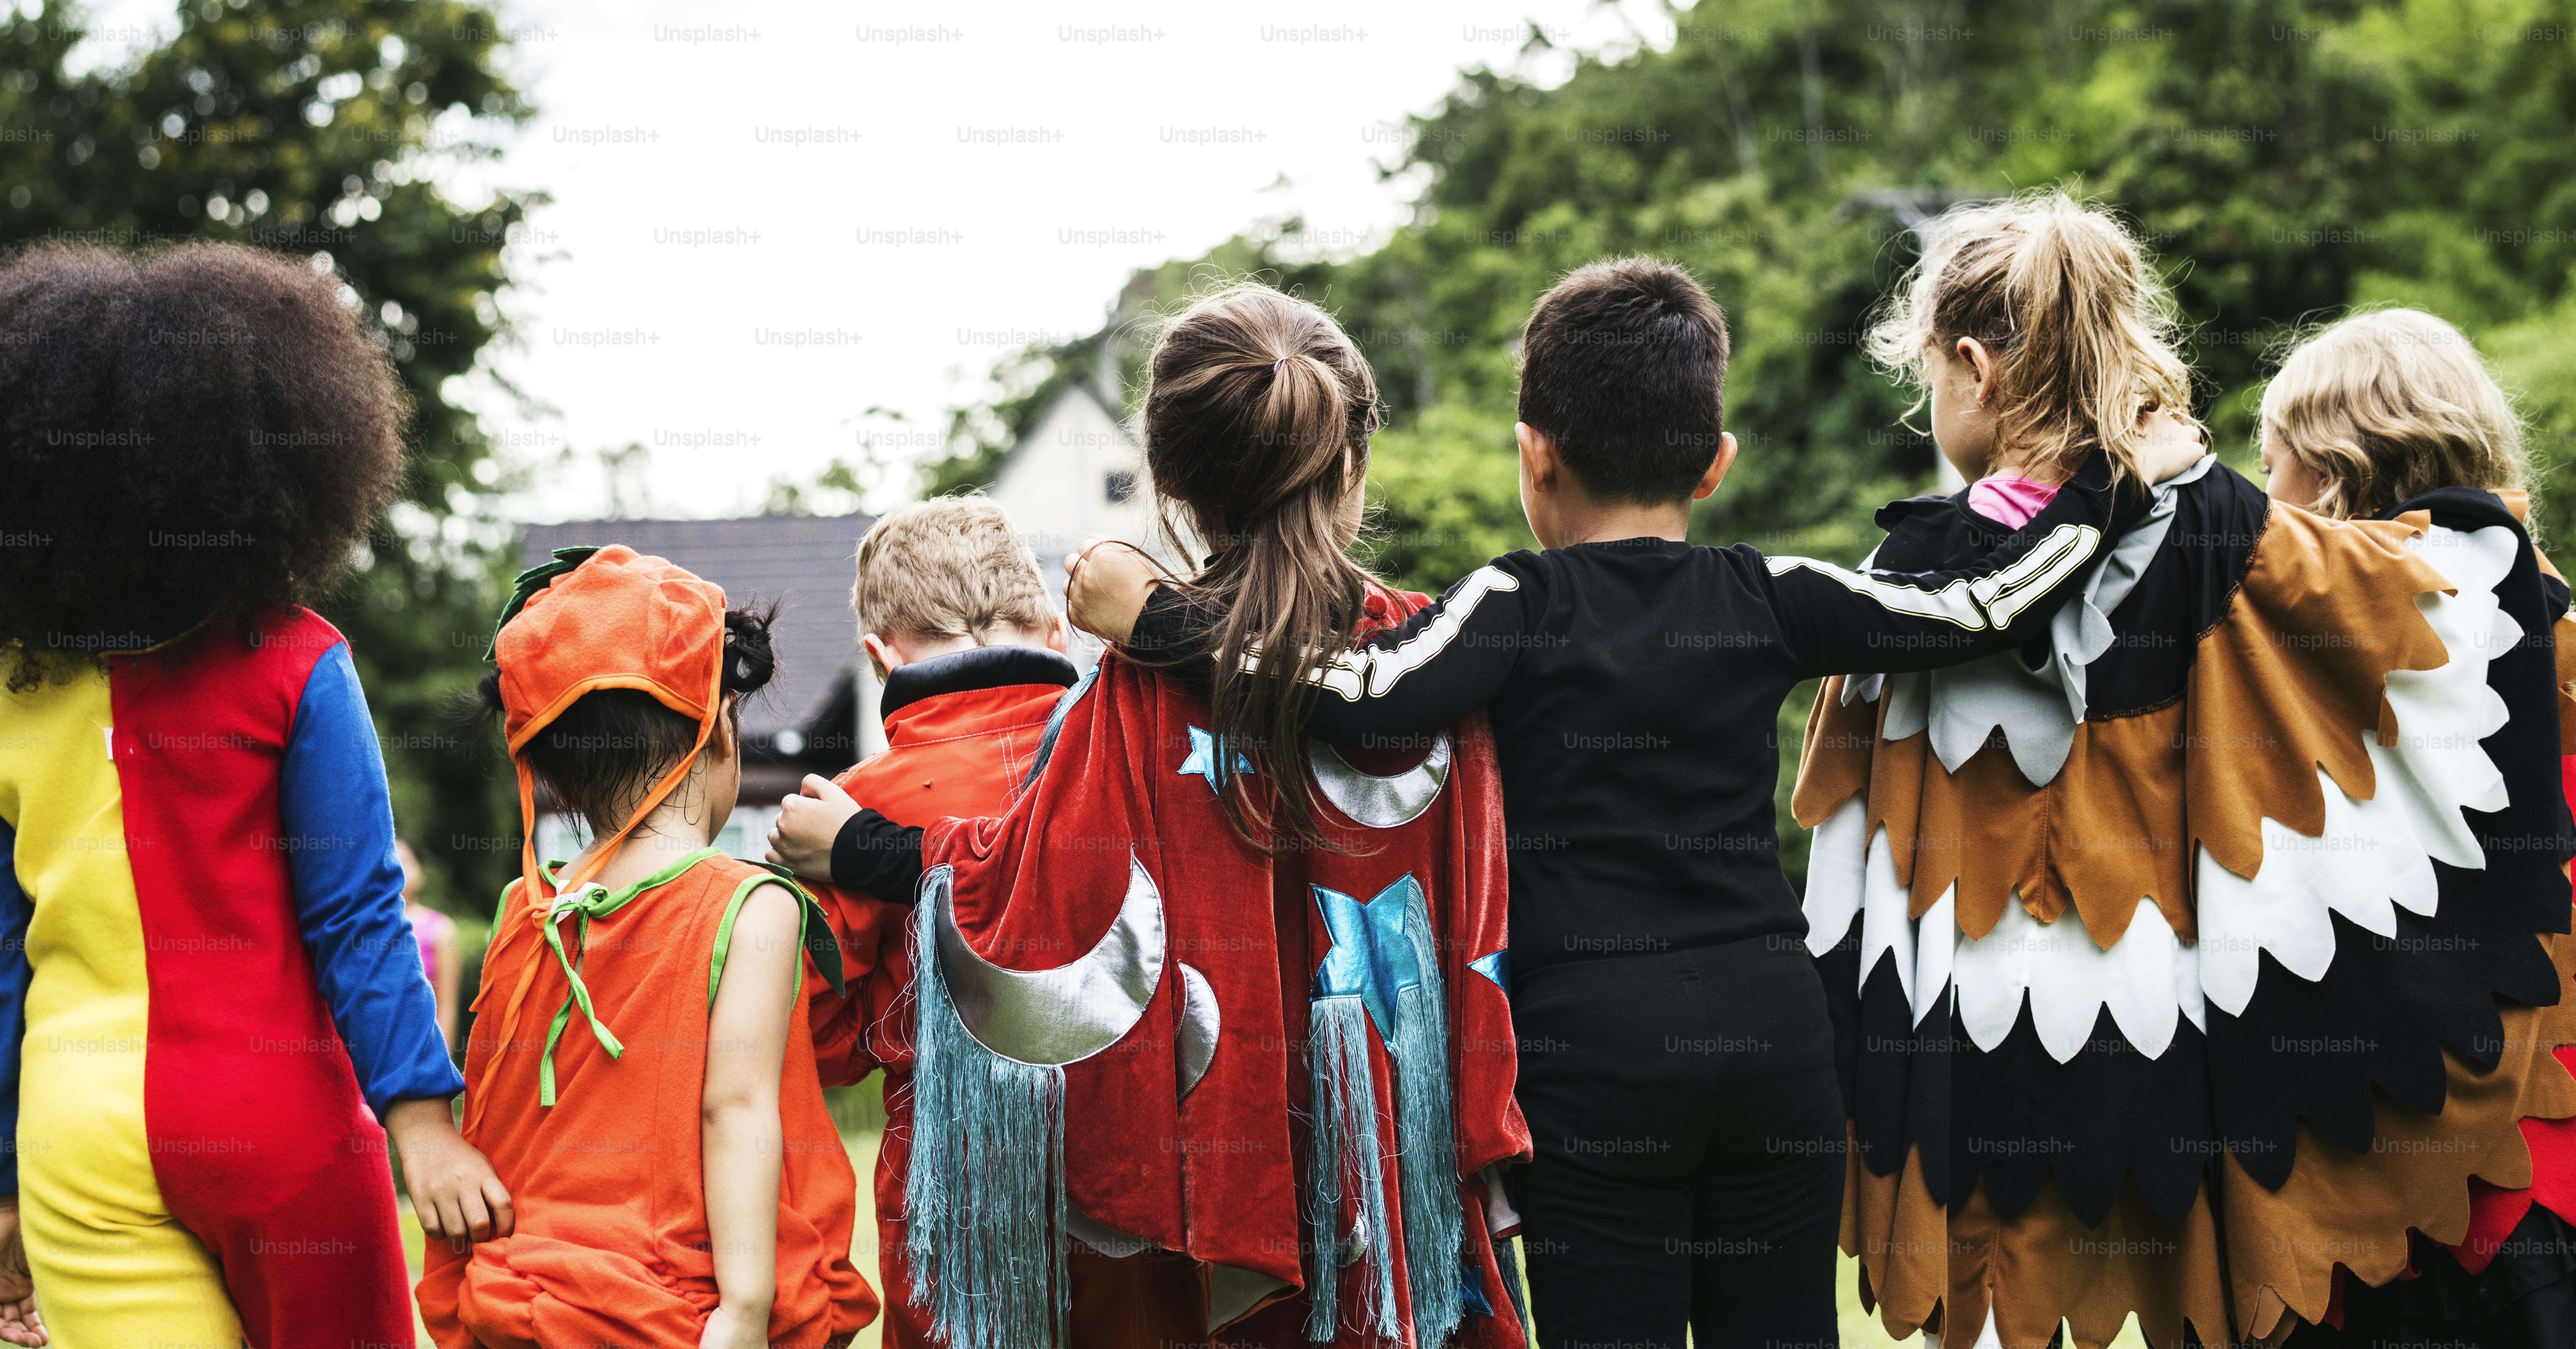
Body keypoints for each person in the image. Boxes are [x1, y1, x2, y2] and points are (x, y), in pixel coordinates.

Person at [1065, 257, 2210, 1349]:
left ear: (1534, 454)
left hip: (1595, 1055)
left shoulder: (1511, 603)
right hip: (1774, 1039)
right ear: (1713, 463)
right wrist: (2111, 481)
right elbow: (1981, 606)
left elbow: (1358, 694)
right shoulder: (1771, 594)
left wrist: (1162, 622)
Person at [1788, 194, 2576, 1349]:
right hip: (2274, 1124)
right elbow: (2481, 604)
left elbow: (1860, 895)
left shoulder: (1903, 589)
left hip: (2031, 1118)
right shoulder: (2264, 549)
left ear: (1975, 367)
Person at [820, 283, 1535, 1349]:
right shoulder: (1430, 661)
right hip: (1396, 1202)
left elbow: (1030, 902)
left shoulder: (1132, 692)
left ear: (1165, 481)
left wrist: (852, 846)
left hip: (1210, 1207)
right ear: (1356, 463)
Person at [0, 242, 502, 1349]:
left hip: (73, 1125)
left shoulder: (9, 693)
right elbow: (357, 914)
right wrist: (423, 1122)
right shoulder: (299, 660)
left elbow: (4, 954)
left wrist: (2, 1185)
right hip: (272, 1122)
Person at [761, 495, 1214, 1348]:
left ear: (877, 657)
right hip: (1142, 1162)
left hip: (952, 1179)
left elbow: (820, 1042)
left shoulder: (850, 811)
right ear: (1055, 632)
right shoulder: (1151, 759)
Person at [416, 545, 877, 1349]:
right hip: (683, 1314)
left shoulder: (524, 911)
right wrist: (742, 1307)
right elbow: (732, 1107)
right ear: (720, 732)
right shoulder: (751, 904)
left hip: (521, 1302)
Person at [2254, 307, 2576, 1348]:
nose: (2267, 500)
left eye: (2275, 468)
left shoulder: (2306, 684)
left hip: (2450, 1209)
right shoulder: (2557, 630)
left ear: (2339, 470)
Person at [397, 839, 464, 1052]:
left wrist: (441, 1059)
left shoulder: (441, 929)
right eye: (390, 862)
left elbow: (448, 1005)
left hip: (423, 1050)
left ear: (422, 872)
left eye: (406, 862)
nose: (398, 869)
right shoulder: (367, 929)